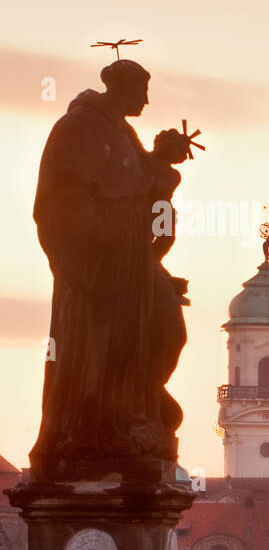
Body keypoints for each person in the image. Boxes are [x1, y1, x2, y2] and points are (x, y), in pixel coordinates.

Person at [31, 58, 191, 480]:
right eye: (142, 91)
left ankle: (137, 415)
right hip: (99, 264)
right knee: (103, 347)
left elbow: (150, 193)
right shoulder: (80, 127)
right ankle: (97, 428)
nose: (147, 99)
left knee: (169, 332)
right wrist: (95, 242)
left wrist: (164, 159)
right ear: (119, 87)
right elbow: (60, 199)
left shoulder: (125, 133)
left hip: (133, 259)